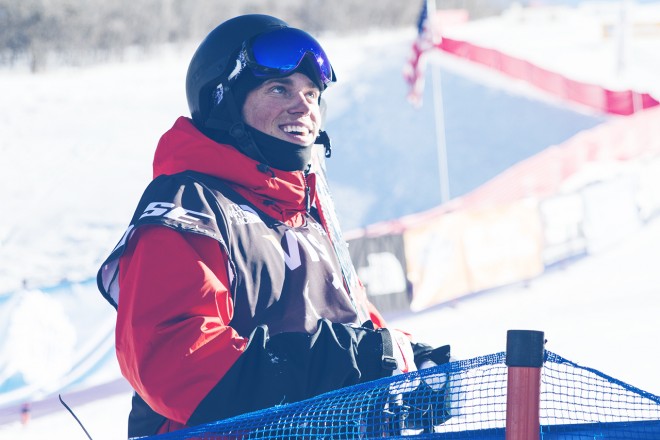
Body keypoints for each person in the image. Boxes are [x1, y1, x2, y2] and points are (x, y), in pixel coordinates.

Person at [97, 14, 450, 437]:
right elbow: (176, 362)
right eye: (279, 89)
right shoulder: (191, 207)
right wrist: (344, 364)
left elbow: (358, 328)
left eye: (312, 93)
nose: (304, 106)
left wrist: (403, 364)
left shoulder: (311, 211)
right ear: (225, 101)